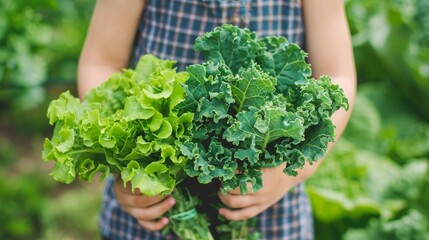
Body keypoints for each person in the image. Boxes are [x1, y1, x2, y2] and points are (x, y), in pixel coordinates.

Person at [77, 0, 356, 239]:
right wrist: (129, 168)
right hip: (151, 212)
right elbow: (101, 63)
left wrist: (288, 174)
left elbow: (337, 75)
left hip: (273, 213)